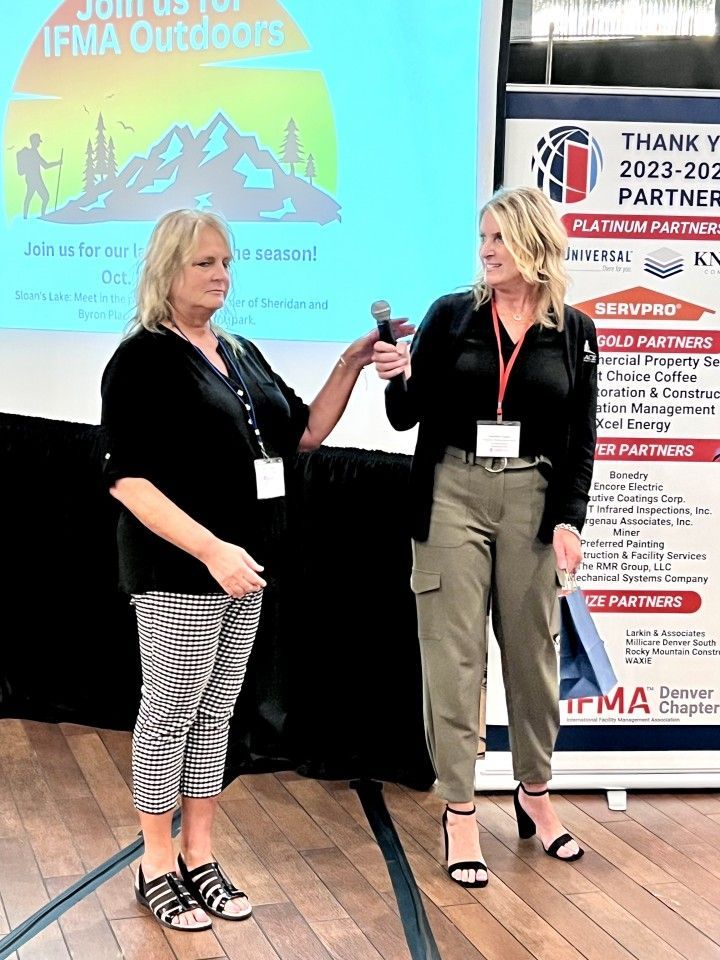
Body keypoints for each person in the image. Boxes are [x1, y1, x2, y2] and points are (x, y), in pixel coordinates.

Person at [101, 208, 412, 931]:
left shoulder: (238, 351)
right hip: (181, 569)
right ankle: (156, 864)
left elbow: (303, 433)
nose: (221, 276)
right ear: (167, 270)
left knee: (214, 717)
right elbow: (128, 480)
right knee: (170, 714)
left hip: (247, 568)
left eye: (226, 263)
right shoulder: (142, 358)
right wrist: (211, 549)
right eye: (204, 263)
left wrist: (350, 365)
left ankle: (200, 855)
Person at [372, 186, 597, 888]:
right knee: (454, 656)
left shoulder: (575, 331)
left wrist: (569, 519)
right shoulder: (452, 315)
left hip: (532, 495)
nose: (487, 251)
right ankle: (460, 809)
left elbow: (581, 435)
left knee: (533, 656)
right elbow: (405, 416)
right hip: (452, 490)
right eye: (483, 238)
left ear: (534, 242)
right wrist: (395, 375)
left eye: (500, 238)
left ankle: (535, 793)